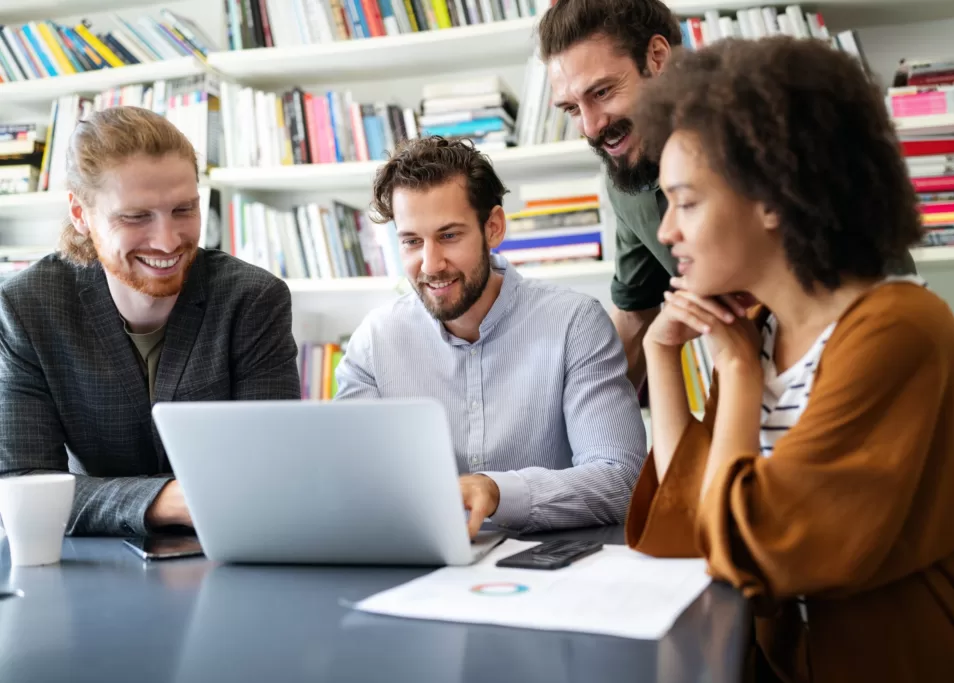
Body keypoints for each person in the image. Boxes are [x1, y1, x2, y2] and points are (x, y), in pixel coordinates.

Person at [624, 37, 954, 681]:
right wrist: (660, 352)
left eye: (687, 201)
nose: (666, 231)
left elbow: (754, 546)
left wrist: (736, 374)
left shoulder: (899, 333)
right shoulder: (755, 333)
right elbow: (695, 522)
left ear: (775, 198)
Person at [538, 0, 917, 389]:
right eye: (570, 109)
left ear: (656, 57)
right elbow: (635, 314)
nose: (590, 126)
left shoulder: (762, 129)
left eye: (602, 92)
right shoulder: (628, 175)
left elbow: (874, 289)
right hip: (754, 384)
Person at [0, 107, 301, 537]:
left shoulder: (252, 299)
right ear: (81, 214)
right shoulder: (27, 307)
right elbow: (21, 489)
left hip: (231, 552)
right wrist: (166, 501)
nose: (168, 240)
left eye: (184, 209)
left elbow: (273, 474)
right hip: (91, 570)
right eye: (136, 216)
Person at [334, 135, 647, 537]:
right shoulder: (374, 343)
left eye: (449, 236)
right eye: (412, 241)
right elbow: (350, 485)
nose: (430, 264)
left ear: (494, 227)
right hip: (422, 574)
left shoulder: (574, 324)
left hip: (550, 576)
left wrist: (498, 491)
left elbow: (621, 481)